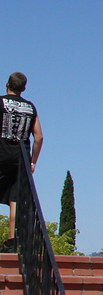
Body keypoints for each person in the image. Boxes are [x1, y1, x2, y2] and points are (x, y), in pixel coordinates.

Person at [1, 72, 42, 253]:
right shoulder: (30, 107)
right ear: (23, 88)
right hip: (21, 158)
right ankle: (12, 241)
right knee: (15, 199)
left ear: (7, 84)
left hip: (1, 153)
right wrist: (33, 161)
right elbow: (39, 137)